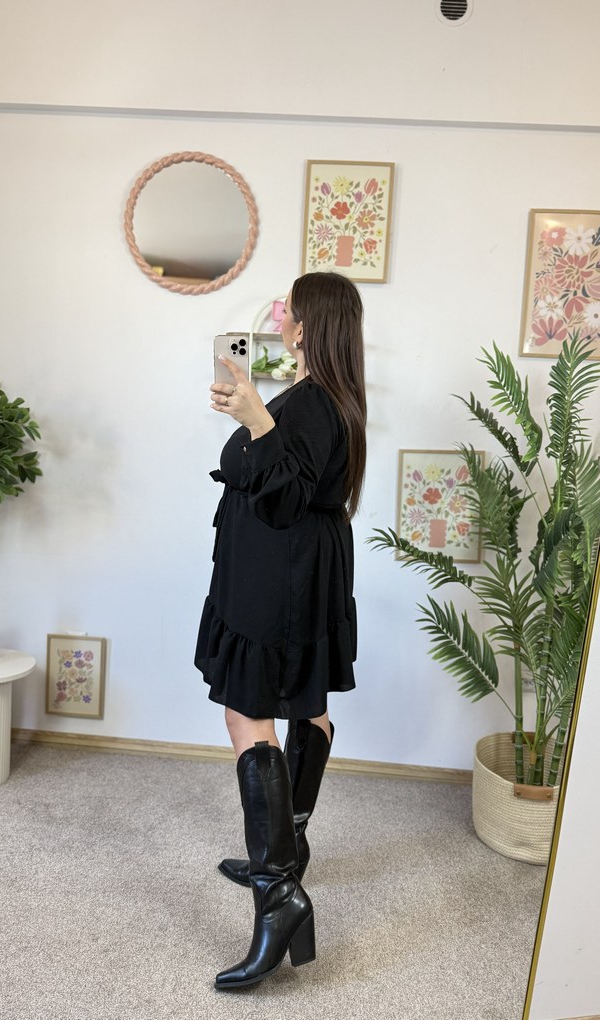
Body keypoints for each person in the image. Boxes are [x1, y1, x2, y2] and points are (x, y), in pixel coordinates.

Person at [194, 271, 366, 989]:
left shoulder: (314, 400)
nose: (278, 317)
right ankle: (286, 847)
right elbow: (290, 480)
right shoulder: (320, 394)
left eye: (287, 309)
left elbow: (288, 496)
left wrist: (257, 420)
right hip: (290, 567)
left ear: (308, 324)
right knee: (305, 702)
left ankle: (279, 892)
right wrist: (255, 414)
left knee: (248, 711)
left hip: (280, 573)